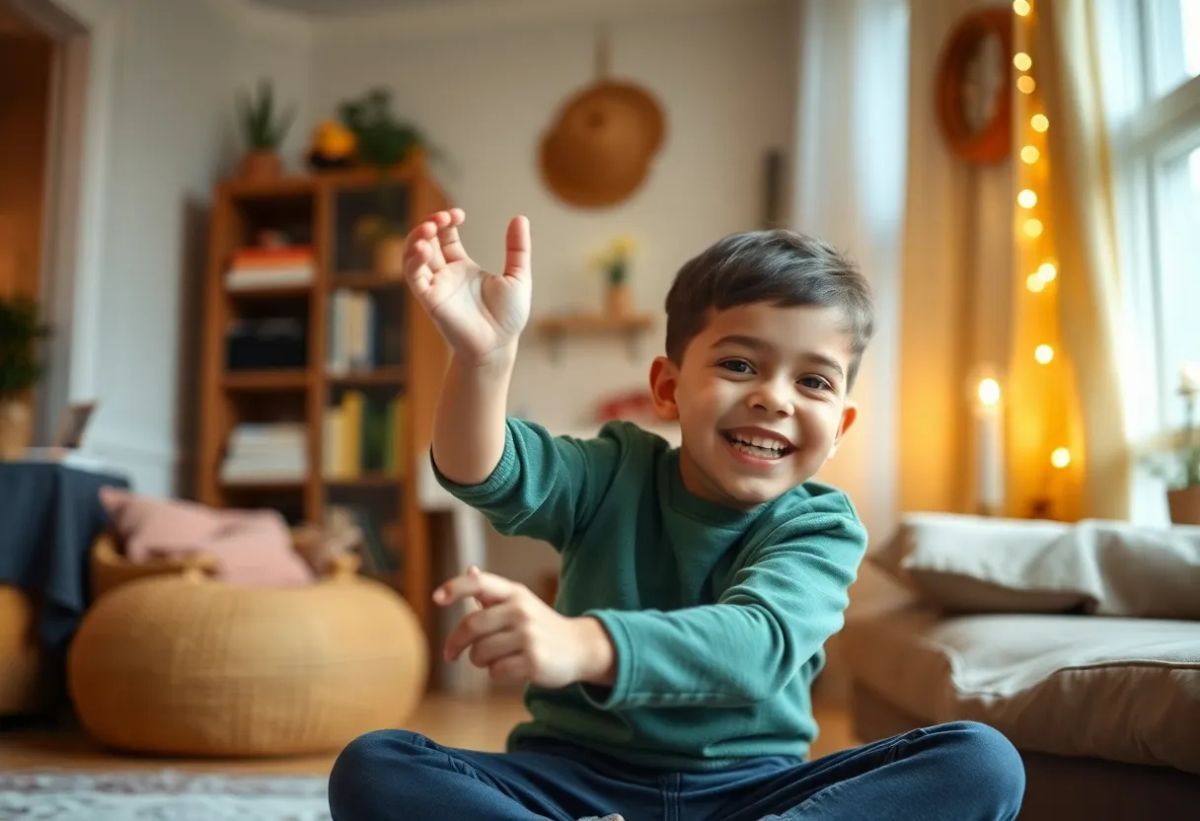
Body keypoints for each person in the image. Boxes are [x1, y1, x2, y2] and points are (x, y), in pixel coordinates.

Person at [327, 209, 1025, 821]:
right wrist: (483, 358)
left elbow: (754, 646)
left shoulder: (821, 525)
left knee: (982, 762)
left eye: (812, 380)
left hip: (753, 792)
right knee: (375, 765)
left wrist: (583, 643)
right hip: (570, 782)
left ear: (839, 424)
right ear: (669, 386)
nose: (774, 398)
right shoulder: (611, 470)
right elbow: (486, 469)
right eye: (740, 365)